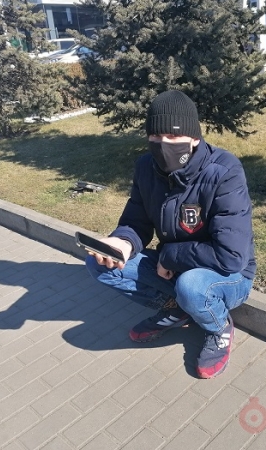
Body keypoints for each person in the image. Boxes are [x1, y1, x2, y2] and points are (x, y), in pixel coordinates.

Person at [84, 90, 256, 379]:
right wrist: (122, 242)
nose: (163, 145)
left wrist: (169, 256)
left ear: (194, 138)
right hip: (174, 266)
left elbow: (231, 256)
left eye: (174, 136)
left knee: (192, 286)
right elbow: (136, 220)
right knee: (100, 264)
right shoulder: (145, 168)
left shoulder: (224, 171)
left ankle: (218, 326)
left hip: (228, 275)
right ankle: (178, 309)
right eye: (155, 136)